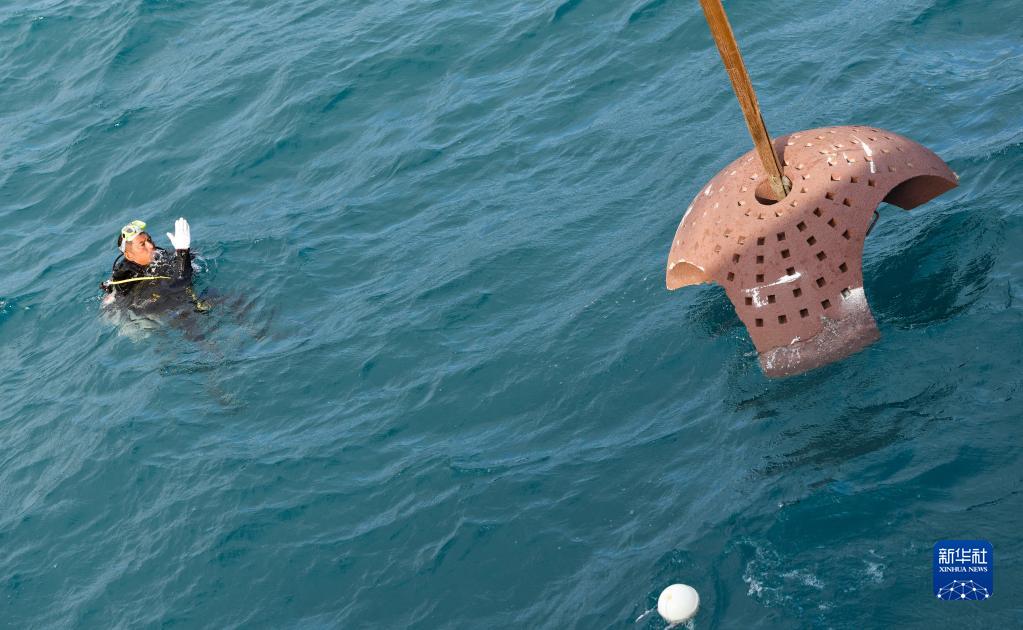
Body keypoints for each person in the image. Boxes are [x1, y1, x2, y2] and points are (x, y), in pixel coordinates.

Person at [101, 218, 207, 313]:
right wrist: (183, 252)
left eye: (149, 240)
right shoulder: (137, 284)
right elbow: (179, 285)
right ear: (129, 255)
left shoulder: (159, 258)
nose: (151, 245)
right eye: (142, 244)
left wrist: (185, 252)